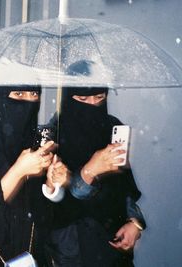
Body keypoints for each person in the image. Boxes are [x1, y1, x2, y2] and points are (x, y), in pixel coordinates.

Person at [0, 87, 70, 267]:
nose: (28, 101)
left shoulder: (34, 140)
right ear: (0, 96)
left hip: (32, 256)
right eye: (18, 94)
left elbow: (43, 218)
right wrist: (18, 171)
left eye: (34, 94)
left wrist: (51, 186)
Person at [45, 87, 146, 267]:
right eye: (83, 99)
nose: (93, 104)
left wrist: (134, 222)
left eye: (99, 97)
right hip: (72, 248)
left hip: (113, 240)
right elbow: (61, 203)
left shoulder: (112, 126)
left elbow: (125, 185)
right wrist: (90, 171)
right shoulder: (52, 135)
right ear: (69, 98)